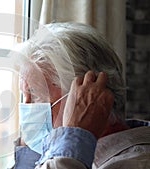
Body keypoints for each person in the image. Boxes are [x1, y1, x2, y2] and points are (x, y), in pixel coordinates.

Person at [10, 22, 150, 169]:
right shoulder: (63, 155)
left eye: (34, 94)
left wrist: (74, 136)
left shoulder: (136, 162)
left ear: (88, 95)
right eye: (24, 95)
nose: (26, 107)